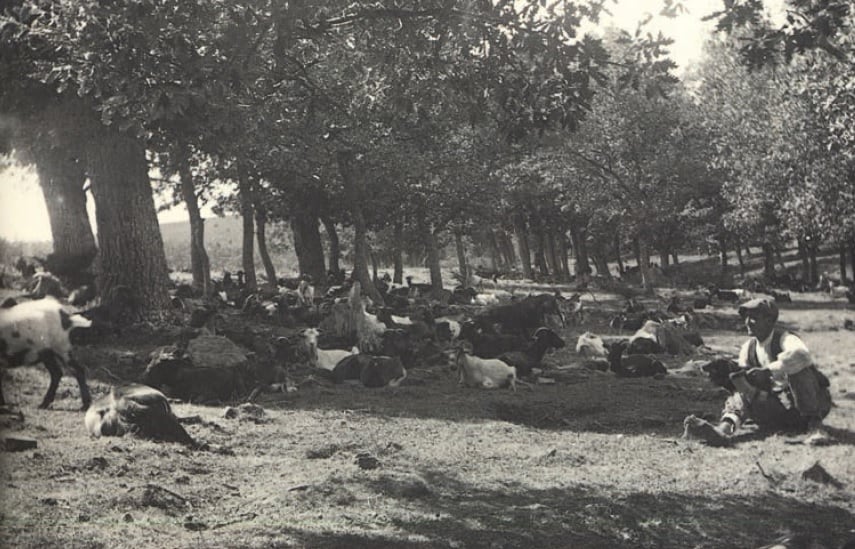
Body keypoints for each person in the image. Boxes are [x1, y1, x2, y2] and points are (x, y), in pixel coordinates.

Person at [683, 296, 833, 446]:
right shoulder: (748, 348)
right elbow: (748, 387)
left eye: (754, 317)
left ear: (769, 320)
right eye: (746, 317)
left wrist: (768, 371)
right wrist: (729, 377)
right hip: (776, 410)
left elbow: (801, 356)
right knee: (741, 387)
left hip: (806, 406)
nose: (748, 322)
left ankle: (816, 428)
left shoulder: (785, 339)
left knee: (799, 370)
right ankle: (723, 430)